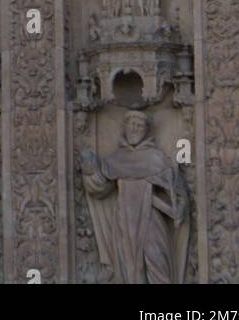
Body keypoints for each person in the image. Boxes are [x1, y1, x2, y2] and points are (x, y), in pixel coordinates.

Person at [81, 111, 189, 284]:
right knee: (128, 270)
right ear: (125, 128)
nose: (134, 129)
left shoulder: (157, 158)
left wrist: (179, 209)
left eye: (139, 126)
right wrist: (90, 169)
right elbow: (100, 187)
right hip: (125, 221)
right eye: (131, 125)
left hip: (151, 220)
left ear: (146, 131)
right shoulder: (116, 159)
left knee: (157, 261)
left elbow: (179, 192)